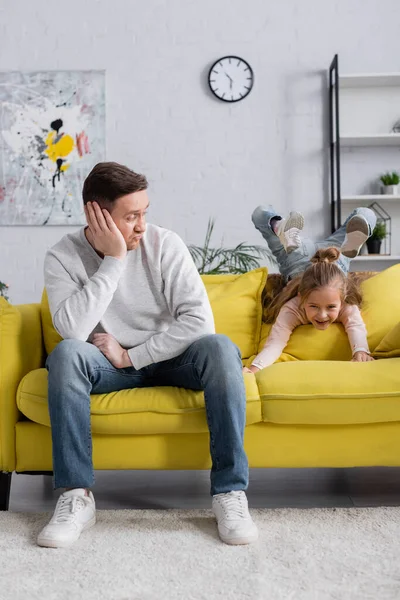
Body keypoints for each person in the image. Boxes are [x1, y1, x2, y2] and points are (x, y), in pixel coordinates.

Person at [38, 162, 258, 548]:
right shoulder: (62, 257)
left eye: (144, 213)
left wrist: (132, 355)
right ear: (99, 215)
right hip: (106, 364)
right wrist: (113, 260)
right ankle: (76, 496)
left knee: (221, 347)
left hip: (169, 358)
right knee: (67, 354)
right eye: (131, 216)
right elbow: (73, 330)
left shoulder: (164, 243)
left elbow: (199, 322)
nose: (141, 225)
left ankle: (229, 493)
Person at [244, 206, 377, 373]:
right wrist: (255, 369)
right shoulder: (293, 307)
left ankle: (281, 229)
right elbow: (276, 343)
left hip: (299, 254)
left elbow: (355, 326)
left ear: (343, 298)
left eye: (331, 307)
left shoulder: (345, 304)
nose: (322, 315)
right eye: (313, 306)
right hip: (333, 254)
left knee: (260, 213)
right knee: (365, 212)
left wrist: (360, 351)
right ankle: (281, 228)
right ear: (301, 297)